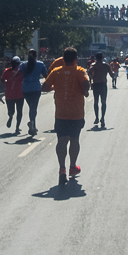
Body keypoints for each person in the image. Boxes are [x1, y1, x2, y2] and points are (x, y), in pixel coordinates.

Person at [42, 47, 90, 185]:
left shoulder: (56, 72)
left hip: (61, 113)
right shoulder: (80, 71)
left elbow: (44, 87)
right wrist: (85, 92)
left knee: (62, 140)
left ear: (63, 59)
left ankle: (62, 169)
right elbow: (86, 83)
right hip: (76, 113)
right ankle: (72, 167)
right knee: (74, 139)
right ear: (75, 59)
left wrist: (54, 87)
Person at [19, 49, 48, 137]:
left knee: (30, 106)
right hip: (36, 87)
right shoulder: (40, 64)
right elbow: (46, 75)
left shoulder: (23, 65)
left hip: (26, 88)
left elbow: (18, 74)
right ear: (36, 55)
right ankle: (32, 122)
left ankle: (33, 126)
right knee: (33, 107)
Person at [0, 55, 24, 134]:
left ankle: (11, 117)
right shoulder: (21, 71)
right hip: (19, 94)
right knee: (19, 111)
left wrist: (7, 82)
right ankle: (17, 127)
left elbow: (2, 80)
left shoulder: (7, 71)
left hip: (10, 94)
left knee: (11, 110)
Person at [87, 52, 110, 125]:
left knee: (96, 101)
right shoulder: (106, 66)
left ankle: (97, 118)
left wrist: (92, 78)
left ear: (96, 58)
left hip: (96, 84)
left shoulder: (93, 66)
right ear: (102, 57)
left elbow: (88, 72)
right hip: (103, 84)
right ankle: (102, 118)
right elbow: (112, 75)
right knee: (103, 102)